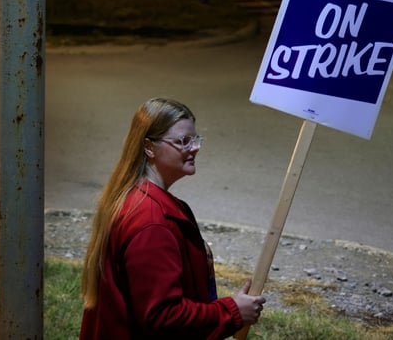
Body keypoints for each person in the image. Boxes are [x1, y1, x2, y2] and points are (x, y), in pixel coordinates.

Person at [80, 97, 266, 339]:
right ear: (149, 147)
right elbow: (163, 318)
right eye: (183, 141)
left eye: (195, 139)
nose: (195, 147)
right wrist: (232, 312)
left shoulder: (136, 199)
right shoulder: (153, 222)